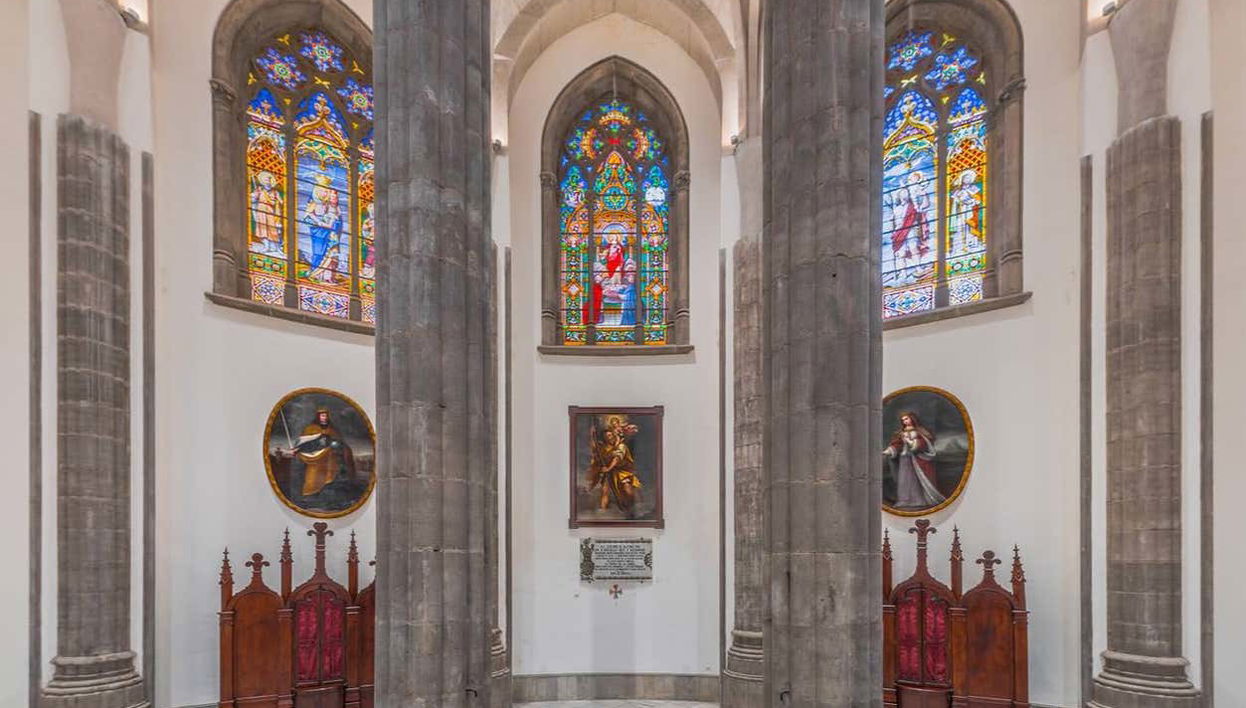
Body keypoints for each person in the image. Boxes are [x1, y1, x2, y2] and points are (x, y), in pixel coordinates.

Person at [279, 407, 356, 498]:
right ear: (318, 416)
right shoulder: (310, 429)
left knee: (333, 475)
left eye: (326, 415)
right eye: (322, 415)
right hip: (314, 459)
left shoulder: (332, 430)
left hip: (330, 460)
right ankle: (309, 495)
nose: (324, 417)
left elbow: (339, 442)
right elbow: (304, 442)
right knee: (312, 478)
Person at [882, 411, 946, 509]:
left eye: (906, 419)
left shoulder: (920, 432)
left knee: (917, 480)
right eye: (903, 420)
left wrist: (910, 442)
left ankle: (918, 500)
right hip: (905, 459)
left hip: (917, 460)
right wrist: (888, 451)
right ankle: (905, 501)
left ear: (912, 419)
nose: (905, 422)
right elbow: (897, 444)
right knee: (905, 480)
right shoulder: (901, 433)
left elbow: (923, 444)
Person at [588, 417, 643, 514]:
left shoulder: (621, 446)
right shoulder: (605, 448)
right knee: (605, 491)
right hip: (610, 473)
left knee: (627, 490)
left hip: (623, 471)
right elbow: (595, 448)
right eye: (606, 436)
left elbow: (617, 459)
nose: (609, 437)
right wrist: (592, 435)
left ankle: (633, 509)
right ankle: (602, 514)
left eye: (610, 435)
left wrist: (608, 468)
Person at [250, 170, 284, 255]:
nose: (267, 182)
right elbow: (253, 198)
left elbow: (282, 202)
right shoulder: (259, 189)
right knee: (262, 229)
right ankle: (266, 247)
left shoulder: (275, 192)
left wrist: (279, 202)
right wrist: (254, 196)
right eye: (265, 180)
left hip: (271, 211)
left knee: (273, 229)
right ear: (262, 181)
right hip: (261, 210)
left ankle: (277, 248)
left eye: (269, 180)